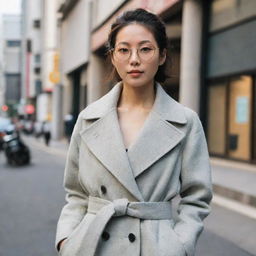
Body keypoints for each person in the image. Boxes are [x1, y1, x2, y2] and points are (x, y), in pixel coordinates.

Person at [55, 8, 212, 256]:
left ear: (162, 56)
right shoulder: (88, 119)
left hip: (155, 248)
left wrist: (179, 246)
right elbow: (75, 193)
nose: (134, 59)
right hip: (92, 245)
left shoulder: (185, 122)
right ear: (113, 56)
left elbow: (197, 197)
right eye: (124, 49)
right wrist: (66, 240)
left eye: (145, 49)